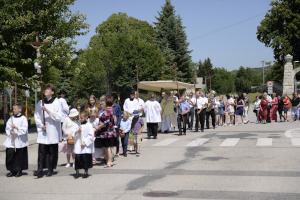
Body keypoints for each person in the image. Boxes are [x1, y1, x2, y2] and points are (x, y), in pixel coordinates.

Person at [34, 83, 62, 178]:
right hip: (43, 130)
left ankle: (50, 169)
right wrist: (41, 125)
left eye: (48, 89)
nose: (46, 90)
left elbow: (58, 117)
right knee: (41, 150)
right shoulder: (40, 103)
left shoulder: (56, 103)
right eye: (45, 89)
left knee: (51, 151)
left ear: (52, 92)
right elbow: (36, 116)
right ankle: (40, 169)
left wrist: (47, 110)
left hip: (52, 130)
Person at [4, 103, 28, 177]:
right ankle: (11, 170)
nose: (14, 110)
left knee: (19, 156)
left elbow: (24, 129)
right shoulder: (11, 118)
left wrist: (17, 128)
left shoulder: (23, 118)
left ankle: (18, 170)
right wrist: (10, 131)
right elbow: (7, 128)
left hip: (20, 141)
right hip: (12, 141)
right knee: (10, 155)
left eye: (15, 109)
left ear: (20, 109)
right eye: (13, 109)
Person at [73, 110, 94, 179]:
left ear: (86, 117)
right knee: (78, 158)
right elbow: (73, 134)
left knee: (85, 159)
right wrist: (78, 131)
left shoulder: (89, 125)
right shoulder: (77, 124)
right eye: (79, 118)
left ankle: (86, 171)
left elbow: (91, 135)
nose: (80, 119)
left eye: (81, 118)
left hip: (85, 145)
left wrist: (85, 142)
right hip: (78, 144)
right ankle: (77, 171)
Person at [98, 95, 117, 168]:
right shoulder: (112, 110)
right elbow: (114, 120)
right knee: (107, 147)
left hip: (107, 132)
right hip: (110, 131)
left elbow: (106, 122)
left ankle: (109, 161)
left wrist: (98, 127)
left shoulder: (107, 111)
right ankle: (109, 161)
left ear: (106, 102)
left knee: (107, 147)